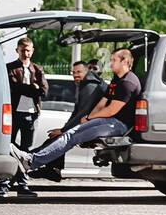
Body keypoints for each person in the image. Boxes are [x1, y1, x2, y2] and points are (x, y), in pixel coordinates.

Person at [9, 48, 141, 176]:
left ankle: (30, 161)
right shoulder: (116, 79)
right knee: (70, 133)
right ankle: (30, 159)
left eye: (114, 60)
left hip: (119, 125)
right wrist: (90, 117)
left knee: (74, 137)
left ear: (124, 62)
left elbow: (112, 109)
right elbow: (102, 102)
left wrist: (89, 118)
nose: (110, 63)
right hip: (109, 120)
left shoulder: (128, 82)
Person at [35, 60, 106, 183]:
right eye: (73, 72)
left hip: (98, 125)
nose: (75, 75)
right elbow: (77, 112)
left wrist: (63, 130)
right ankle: (51, 169)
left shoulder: (90, 86)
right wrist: (64, 128)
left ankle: (49, 168)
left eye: (79, 72)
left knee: (59, 139)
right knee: (56, 139)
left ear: (86, 71)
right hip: (92, 122)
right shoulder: (85, 84)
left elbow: (82, 113)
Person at [0, 37, 48, 199]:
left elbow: (45, 91)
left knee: (26, 151)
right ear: (17, 51)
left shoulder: (37, 69)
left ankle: (23, 185)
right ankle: (3, 185)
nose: (25, 53)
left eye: (28, 50)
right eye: (22, 50)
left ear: (32, 51)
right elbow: (14, 88)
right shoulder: (10, 68)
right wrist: (33, 88)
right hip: (13, 114)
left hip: (31, 114)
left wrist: (32, 89)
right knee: (8, 148)